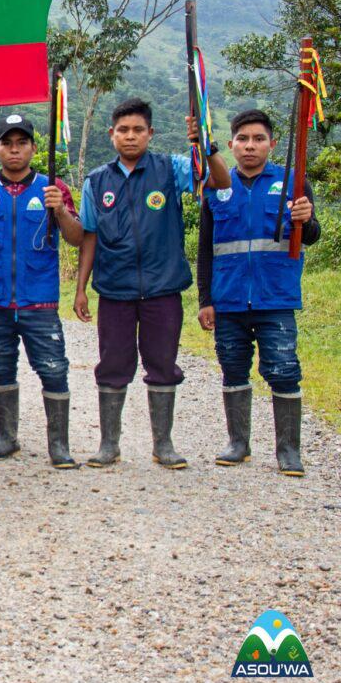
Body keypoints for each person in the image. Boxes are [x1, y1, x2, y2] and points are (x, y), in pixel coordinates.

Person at [74, 98, 230, 469]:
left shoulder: (171, 169)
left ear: (150, 134)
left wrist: (206, 146)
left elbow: (221, 181)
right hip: (114, 290)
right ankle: (109, 445)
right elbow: (89, 236)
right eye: (123, 130)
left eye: (138, 130)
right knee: (113, 364)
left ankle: (164, 444)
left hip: (163, 289)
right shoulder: (97, 181)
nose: (130, 137)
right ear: (111, 134)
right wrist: (81, 287)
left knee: (162, 363)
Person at [197, 109, 320, 476]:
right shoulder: (217, 188)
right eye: (243, 140)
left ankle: (288, 451)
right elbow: (206, 249)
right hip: (229, 299)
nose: (250, 146)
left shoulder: (293, 182)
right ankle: (238, 444)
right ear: (231, 143)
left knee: (284, 371)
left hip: (276, 298)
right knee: (233, 368)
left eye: (258, 139)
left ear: (273, 143)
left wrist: (306, 219)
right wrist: (206, 300)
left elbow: (312, 236)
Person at [0, 115, 83, 468]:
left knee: (54, 369)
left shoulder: (52, 188)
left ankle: (59, 446)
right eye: (7, 143)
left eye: (22, 143)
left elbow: (76, 238)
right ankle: (7, 438)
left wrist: (59, 209)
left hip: (39, 301)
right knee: (0, 369)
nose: (15, 150)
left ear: (33, 147)